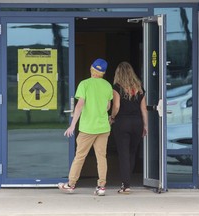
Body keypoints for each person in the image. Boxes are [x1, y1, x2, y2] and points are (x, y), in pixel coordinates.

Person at [58, 58, 113, 196]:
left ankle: (71, 185)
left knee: (80, 157)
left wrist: (72, 125)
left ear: (91, 68)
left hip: (88, 128)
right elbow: (108, 106)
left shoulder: (84, 84)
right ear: (103, 72)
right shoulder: (107, 86)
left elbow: (80, 105)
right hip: (103, 128)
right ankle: (101, 187)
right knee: (102, 157)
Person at [110, 61, 148, 194]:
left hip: (122, 123)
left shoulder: (117, 87)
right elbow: (143, 109)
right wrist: (145, 125)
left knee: (123, 154)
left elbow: (116, 106)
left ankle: (126, 185)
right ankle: (127, 182)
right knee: (132, 153)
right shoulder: (139, 88)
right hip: (137, 123)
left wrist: (112, 117)